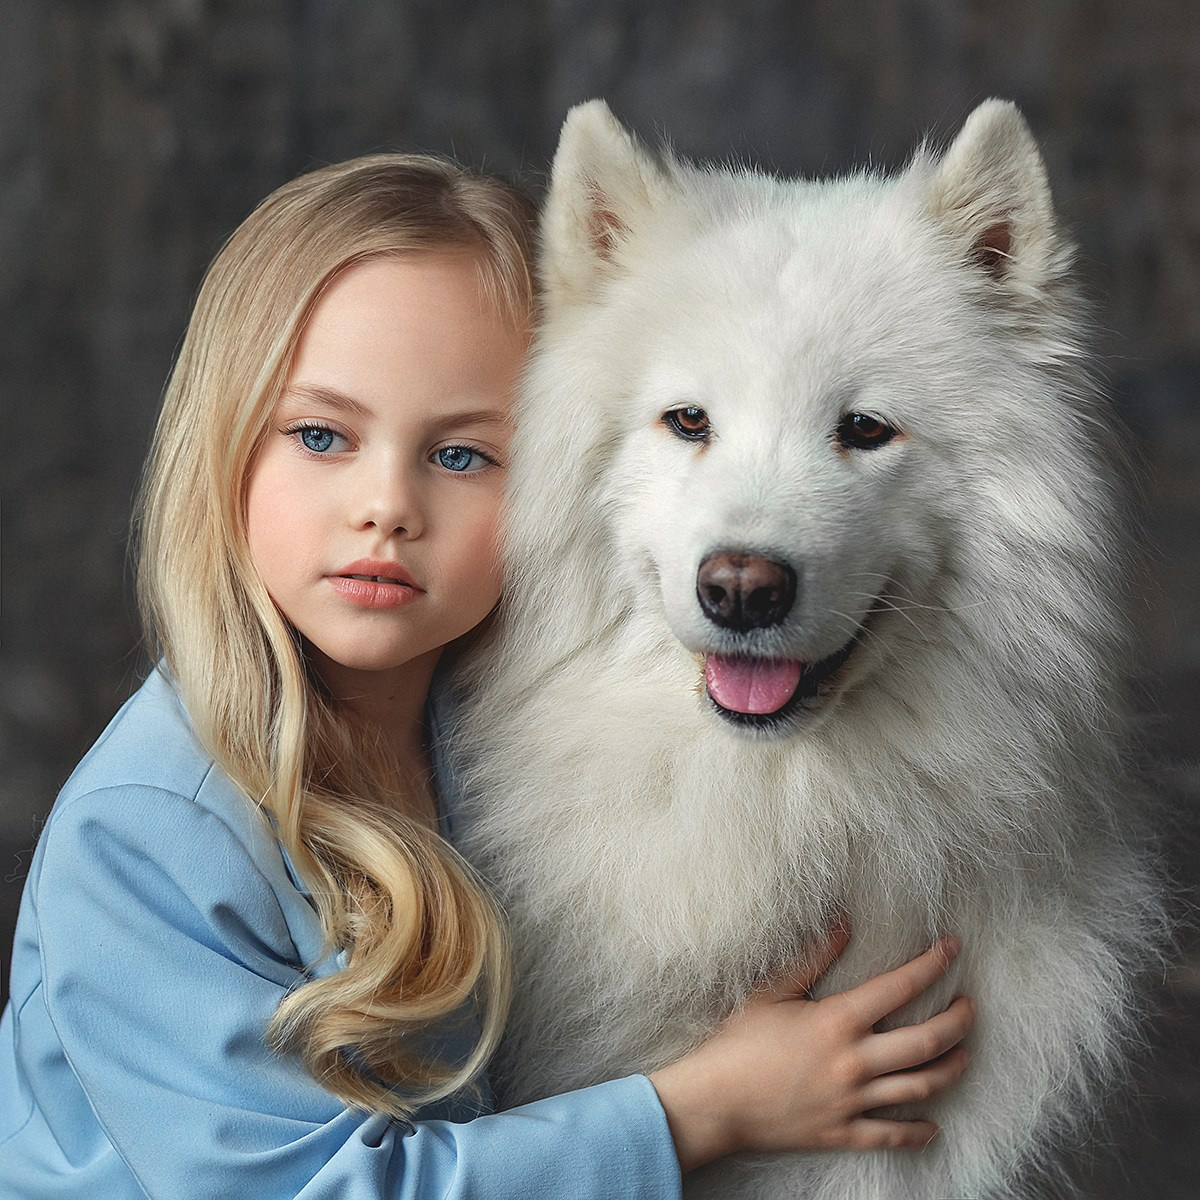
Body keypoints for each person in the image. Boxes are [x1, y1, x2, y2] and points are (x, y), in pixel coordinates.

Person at [0, 153, 976, 1199]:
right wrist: (702, 1106)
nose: (387, 507)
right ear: (222, 446)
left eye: (462, 456)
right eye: (321, 435)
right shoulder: (149, 831)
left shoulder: (474, 734)